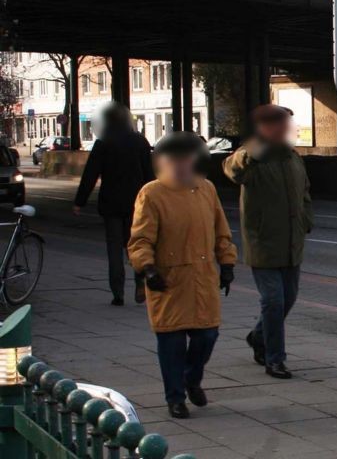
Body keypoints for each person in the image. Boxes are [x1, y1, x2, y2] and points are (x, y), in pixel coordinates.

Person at [128, 132, 236, 419]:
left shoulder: (206, 189)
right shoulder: (151, 194)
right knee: (172, 343)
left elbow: (220, 231)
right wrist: (148, 269)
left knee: (207, 335)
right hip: (169, 281)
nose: (180, 165)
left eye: (185, 159)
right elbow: (140, 240)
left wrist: (227, 263)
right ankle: (175, 397)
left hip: (202, 279)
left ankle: (191, 378)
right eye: (173, 160)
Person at [223, 104, 313, 379]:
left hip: (291, 242)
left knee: (288, 299)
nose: (288, 129)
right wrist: (257, 145)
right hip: (263, 241)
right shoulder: (254, 156)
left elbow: (305, 192)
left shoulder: (292, 158)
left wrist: (305, 220)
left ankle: (258, 337)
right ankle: (275, 359)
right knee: (273, 300)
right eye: (282, 124)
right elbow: (232, 169)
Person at [73, 102, 155, 306]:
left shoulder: (103, 143)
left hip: (111, 204)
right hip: (137, 203)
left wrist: (79, 202)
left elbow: (90, 175)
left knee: (114, 249)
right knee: (136, 244)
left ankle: (118, 293)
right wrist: (154, 202)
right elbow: (149, 175)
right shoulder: (140, 142)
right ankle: (139, 280)